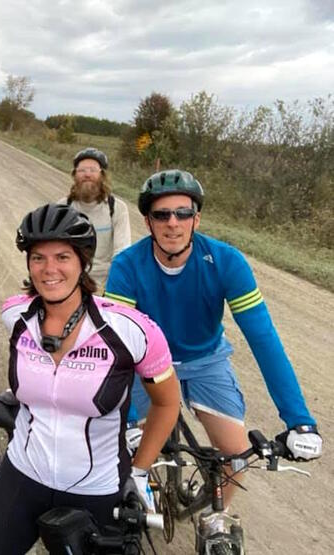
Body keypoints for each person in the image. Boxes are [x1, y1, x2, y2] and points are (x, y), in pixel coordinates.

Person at [104, 169, 322, 507]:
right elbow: (115, 346)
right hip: (145, 365)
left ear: (197, 219)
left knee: (236, 456)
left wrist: (300, 421)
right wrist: (129, 416)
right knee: (120, 448)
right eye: (161, 214)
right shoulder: (127, 266)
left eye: (183, 213)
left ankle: (211, 515)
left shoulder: (227, 262)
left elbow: (263, 339)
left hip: (205, 361)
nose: (172, 223)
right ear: (147, 222)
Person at [0, 204, 179, 555]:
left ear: (83, 262)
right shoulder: (16, 315)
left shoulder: (130, 330)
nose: (49, 269)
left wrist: (140, 471)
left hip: (96, 489)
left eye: (62, 257)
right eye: (38, 258)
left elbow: (166, 402)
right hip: (23, 473)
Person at [57, 147, 130, 291]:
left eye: (93, 170)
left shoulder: (116, 208)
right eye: (82, 170)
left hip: (104, 283)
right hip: (70, 282)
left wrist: (109, 288)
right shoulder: (63, 207)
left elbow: (121, 254)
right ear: (74, 175)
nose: (87, 175)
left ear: (102, 175)